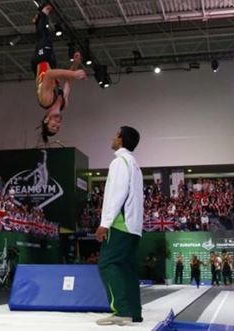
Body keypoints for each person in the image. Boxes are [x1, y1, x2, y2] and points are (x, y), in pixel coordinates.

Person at [95, 126, 143, 326]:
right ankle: (134, 313)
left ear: (121, 139)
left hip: (120, 224)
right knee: (127, 269)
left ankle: (121, 311)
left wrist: (105, 224)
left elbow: (116, 194)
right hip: (133, 226)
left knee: (107, 264)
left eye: (115, 134)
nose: (113, 137)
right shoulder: (135, 164)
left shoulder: (119, 162)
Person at [31, 2, 87, 142]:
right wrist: (74, 65)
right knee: (43, 39)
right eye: (58, 127)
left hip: (40, 63)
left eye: (53, 126)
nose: (57, 124)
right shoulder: (63, 104)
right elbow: (68, 84)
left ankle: (44, 12)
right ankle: (38, 20)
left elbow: (49, 75)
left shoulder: (45, 101)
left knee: (46, 39)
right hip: (51, 65)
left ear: (46, 121)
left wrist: (73, 74)